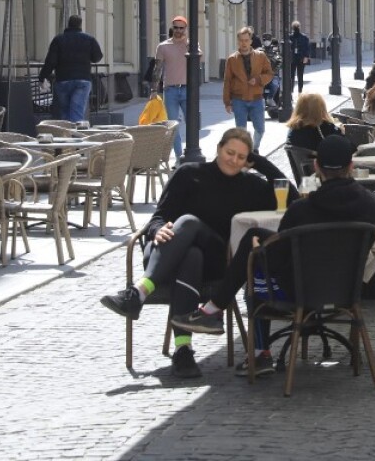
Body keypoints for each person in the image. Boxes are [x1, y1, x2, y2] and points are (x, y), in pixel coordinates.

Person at [171, 135, 375, 377]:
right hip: (349, 288)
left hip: (300, 290)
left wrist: (259, 249)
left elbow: (280, 257)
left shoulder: (303, 210)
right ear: (351, 167)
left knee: (255, 265)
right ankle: (214, 310)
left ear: (316, 167)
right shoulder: (369, 204)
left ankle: (258, 350)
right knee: (256, 237)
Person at [99, 129, 286, 378]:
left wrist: (262, 163)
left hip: (218, 261)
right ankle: (183, 351)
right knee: (191, 254)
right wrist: (157, 230)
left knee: (188, 223)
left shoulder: (251, 185)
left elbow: (291, 196)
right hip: (166, 253)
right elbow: (158, 217)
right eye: (230, 152)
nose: (234, 160)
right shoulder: (189, 174)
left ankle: (139, 293)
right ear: (218, 148)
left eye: (242, 157)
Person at [38, 15, 103, 122]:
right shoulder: (89, 39)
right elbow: (97, 57)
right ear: (80, 24)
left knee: (64, 112)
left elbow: (50, 61)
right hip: (83, 79)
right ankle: (75, 135)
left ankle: (66, 134)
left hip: (63, 79)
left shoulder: (58, 39)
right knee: (77, 112)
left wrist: (42, 77)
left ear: (68, 24)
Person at [152, 15, 197, 160]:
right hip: (170, 90)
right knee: (172, 126)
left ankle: (191, 151)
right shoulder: (163, 46)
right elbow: (157, 69)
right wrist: (153, 90)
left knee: (192, 123)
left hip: (187, 90)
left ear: (186, 29)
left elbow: (199, 61)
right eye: (175, 27)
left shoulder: (192, 45)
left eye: (181, 28)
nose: (178, 30)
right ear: (172, 28)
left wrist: (190, 46)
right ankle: (179, 157)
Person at [223, 26, 274, 146]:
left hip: (256, 98)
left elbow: (269, 73)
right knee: (241, 132)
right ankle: (246, 153)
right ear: (238, 41)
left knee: (260, 129)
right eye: (241, 40)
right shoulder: (232, 59)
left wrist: (258, 80)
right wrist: (227, 102)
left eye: (246, 40)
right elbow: (227, 81)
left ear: (251, 41)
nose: (244, 43)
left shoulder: (260, 56)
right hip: (238, 99)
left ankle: (254, 148)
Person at [288, 21, 311, 95]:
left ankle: (296, 91)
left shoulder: (292, 37)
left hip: (296, 58)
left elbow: (307, 48)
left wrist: (306, 57)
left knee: (295, 76)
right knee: (298, 76)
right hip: (296, 58)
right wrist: (306, 57)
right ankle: (298, 91)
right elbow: (307, 48)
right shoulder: (291, 37)